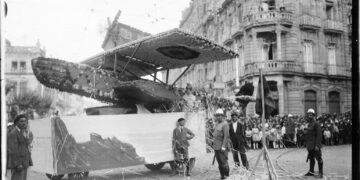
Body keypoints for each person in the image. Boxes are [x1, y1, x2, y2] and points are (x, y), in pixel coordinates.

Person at [7, 114, 33, 180]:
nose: (24, 123)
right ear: (16, 123)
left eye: (25, 121)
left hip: (24, 162)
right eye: (21, 121)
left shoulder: (23, 132)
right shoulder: (13, 133)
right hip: (18, 164)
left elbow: (25, 145)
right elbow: (13, 151)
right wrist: (18, 164)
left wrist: (29, 138)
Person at [304, 109, 323, 178]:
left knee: (319, 158)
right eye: (308, 114)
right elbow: (307, 133)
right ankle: (311, 171)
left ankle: (321, 173)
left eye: (311, 115)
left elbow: (319, 135)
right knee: (311, 158)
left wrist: (317, 145)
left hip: (315, 145)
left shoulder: (316, 123)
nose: (309, 116)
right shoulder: (308, 124)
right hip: (310, 145)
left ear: (313, 115)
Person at [212, 108, 230, 179]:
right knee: (219, 162)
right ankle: (222, 176)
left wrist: (224, 146)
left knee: (224, 162)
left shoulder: (225, 124)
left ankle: (226, 175)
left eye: (220, 115)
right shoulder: (216, 124)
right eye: (217, 115)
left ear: (222, 116)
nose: (218, 117)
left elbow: (226, 136)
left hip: (222, 147)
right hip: (216, 146)